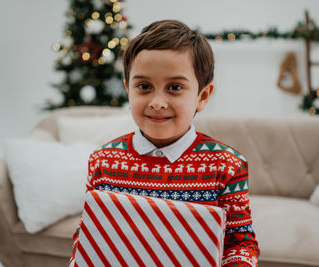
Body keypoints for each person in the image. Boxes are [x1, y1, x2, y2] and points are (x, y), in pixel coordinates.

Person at [69, 19, 259, 267]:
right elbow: (88, 234)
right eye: (144, 86)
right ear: (128, 90)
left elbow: (239, 244)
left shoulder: (227, 165)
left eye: (175, 87)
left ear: (202, 96)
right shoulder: (103, 161)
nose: (157, 102)